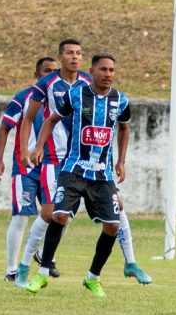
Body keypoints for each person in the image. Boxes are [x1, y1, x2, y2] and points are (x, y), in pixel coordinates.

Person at [15, 39, 150, 287]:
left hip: (99, 169)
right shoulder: (51, 86)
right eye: (69, 53)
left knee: (116, 213)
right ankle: (26, 266)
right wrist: (32, 147)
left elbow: (123, 127)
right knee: (52, 213)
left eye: (78, 53)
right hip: (60, 160)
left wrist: (120, 161)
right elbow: (32, 118)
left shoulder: (109, 94)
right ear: (61, 56)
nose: (74, 57)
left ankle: (126, 263)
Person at [0, 56, 59, 281]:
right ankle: (11, 269)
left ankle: (43, 254)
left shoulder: (61, 98)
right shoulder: (24, 98)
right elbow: (4, 128)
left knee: (58, 214)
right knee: (21, 215)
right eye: (46, 70)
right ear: (37, 74)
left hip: (51, 164)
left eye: (54, 71)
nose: (50, 74)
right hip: (26, 167)